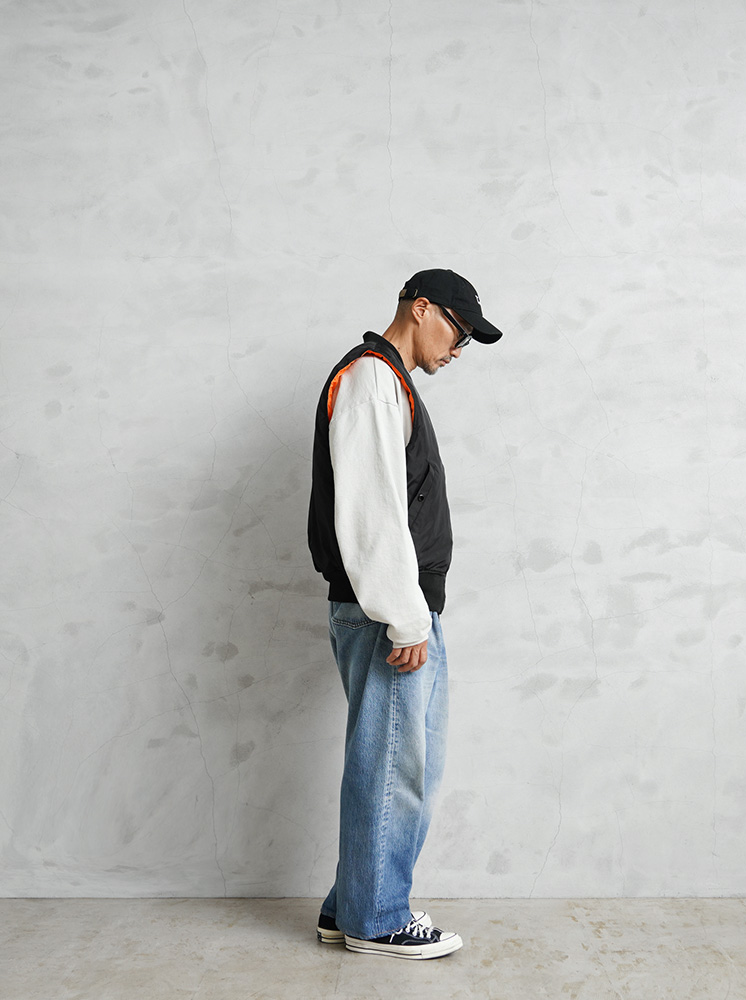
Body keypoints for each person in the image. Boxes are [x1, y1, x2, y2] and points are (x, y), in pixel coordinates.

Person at [307, 268, 503, 960]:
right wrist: (405, 618)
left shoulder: (387, 380)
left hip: (396, 609)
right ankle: (378, 918)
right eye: (458, 332)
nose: (459, 349)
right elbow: (372, 511)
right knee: (395, 768)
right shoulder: (371, 378)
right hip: (388, 615)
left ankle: (350, 907)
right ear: (421, 309)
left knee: (394, 762)